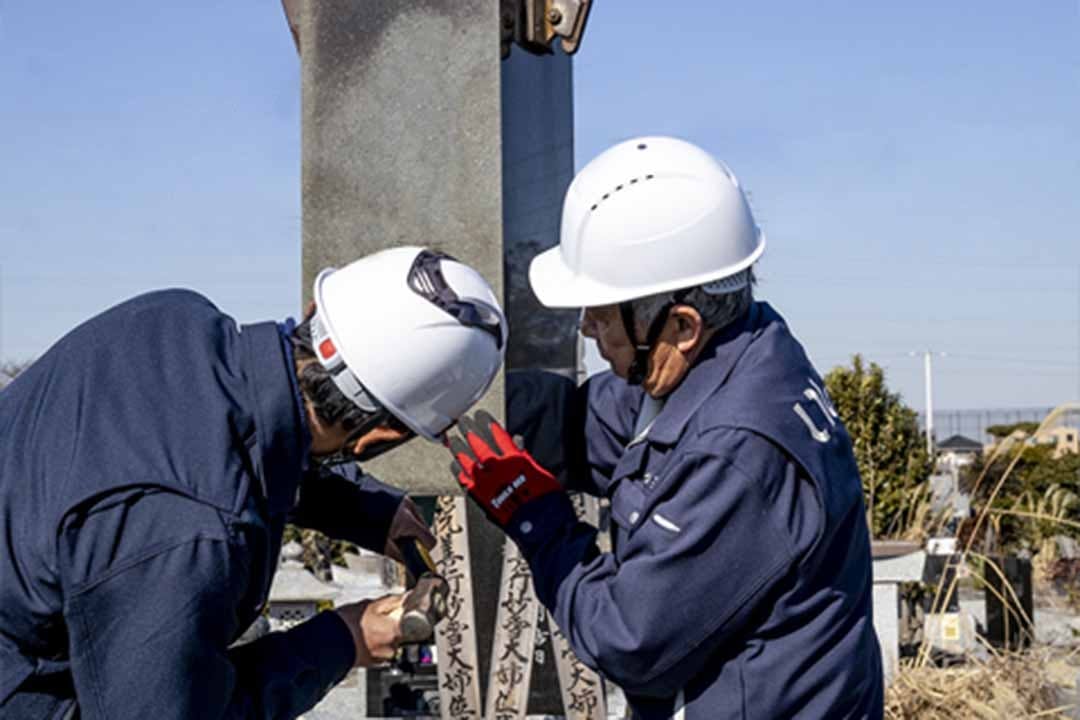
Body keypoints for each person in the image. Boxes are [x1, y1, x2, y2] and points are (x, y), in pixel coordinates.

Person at [450, 137, 883, 719]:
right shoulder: (727, 352)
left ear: (681, 323)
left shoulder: (738, 451)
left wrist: (540, 521)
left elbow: (632, 641)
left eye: (602, 314)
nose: (585, 329)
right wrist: (449, 383)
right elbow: (585, 424)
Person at [0, 246, 506, 719]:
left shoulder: (174, 320)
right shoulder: (188, 536)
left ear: (315, 311)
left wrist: (373, 511)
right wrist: (342, 642)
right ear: (381, 435)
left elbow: (241, 433)